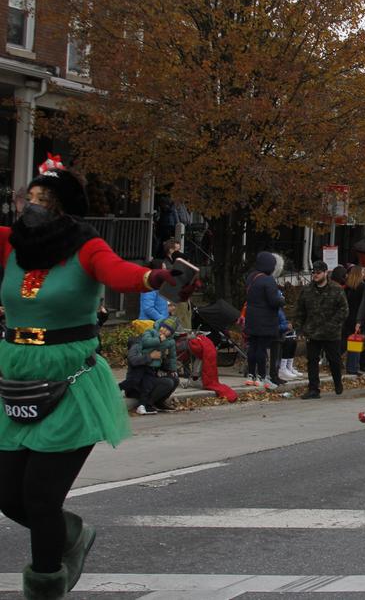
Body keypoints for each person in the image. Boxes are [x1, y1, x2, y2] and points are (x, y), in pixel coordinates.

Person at [0, 167, 181, 598]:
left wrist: (154, 277)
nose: (31, 206)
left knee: (40, 497)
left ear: (63, 209)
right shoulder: (10, 244)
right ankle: (72, 534)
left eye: (44, 199)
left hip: (70, 381)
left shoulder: (86, 246)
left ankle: (46, 586)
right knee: (8, 496)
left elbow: (119, 273)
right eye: (30, 197)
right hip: (15, 378)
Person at [296, 260, 349, 399]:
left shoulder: (336, 289)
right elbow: (300, 310)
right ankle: (313, 389)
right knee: (312, 360)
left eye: (318, 272)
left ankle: (337, 382)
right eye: (314, 272)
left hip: (331, 333)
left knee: (334, 360)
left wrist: (333, 324)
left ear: (326, 273)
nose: (315, 275)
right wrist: (299, 328)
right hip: (313, 332)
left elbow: (344, 310)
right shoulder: (307, 290)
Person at [119, 317, 181, 414]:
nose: (164, 331)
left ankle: (151, 404)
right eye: (164, 327)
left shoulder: (169, 342)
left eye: (168, 330)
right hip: (137, 377)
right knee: (143, 382)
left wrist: (171, 367)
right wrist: (150, 356)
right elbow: (133, 360)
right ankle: (120, 390)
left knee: (173, 380)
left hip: (151, 370)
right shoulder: (141, 339)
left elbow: (172, 357)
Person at [243, 252, 284, 390]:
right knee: (261, 348)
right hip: (265, 320)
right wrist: (281, 300)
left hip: (251, 318)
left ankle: (250, 375)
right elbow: (274, 301)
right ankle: (261, 376)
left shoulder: (251, 277)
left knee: (252, 347)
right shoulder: (268, 280)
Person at [342, 265, 365, 376]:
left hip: (347, 318)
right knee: (355, 344)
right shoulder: (362, 287)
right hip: (357, 318)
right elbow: (364, 304)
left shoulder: (348, 287)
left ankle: (347, 365)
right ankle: (353, 367)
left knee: (346, 341)